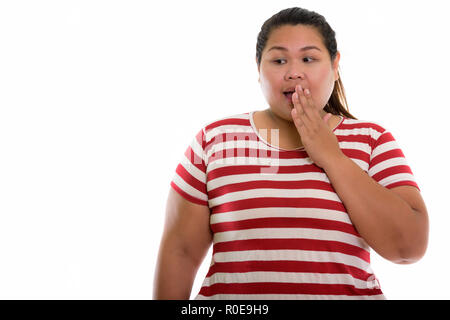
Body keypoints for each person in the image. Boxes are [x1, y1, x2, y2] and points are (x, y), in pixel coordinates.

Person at [153, 7, 429, 300]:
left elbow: (408, 249)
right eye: (279, 60)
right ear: (258, 68)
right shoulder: (217, 140)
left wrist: (330, 156)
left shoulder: (372, 140)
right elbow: (180, 251)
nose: (294, 72)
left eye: (309, 59)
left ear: (335, 67)